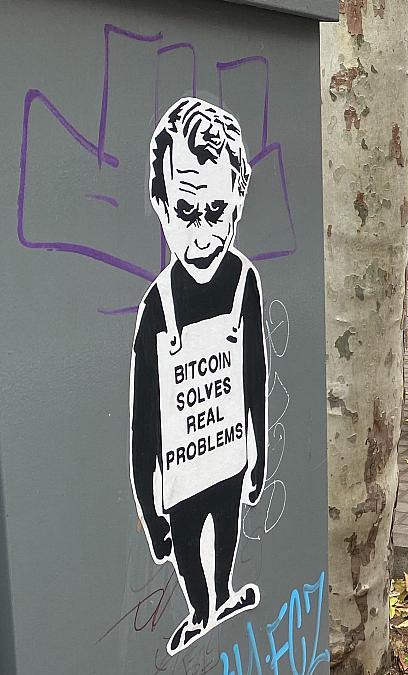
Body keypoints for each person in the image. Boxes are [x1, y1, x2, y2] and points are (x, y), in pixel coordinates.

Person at [129, 97, 267, 656]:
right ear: (161, 205)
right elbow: (144, 422)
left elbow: (252, 369)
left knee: (227, 524)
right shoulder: (157, 307)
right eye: (188, 212)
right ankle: (201, 605)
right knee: (189, 537)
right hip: (179, 471)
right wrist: (149, 506)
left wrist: (255, 452)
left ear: (237, 197)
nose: (205, 232)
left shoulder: (243, 280)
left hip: (228, 450)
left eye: (218, 211)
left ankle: (222, 592)